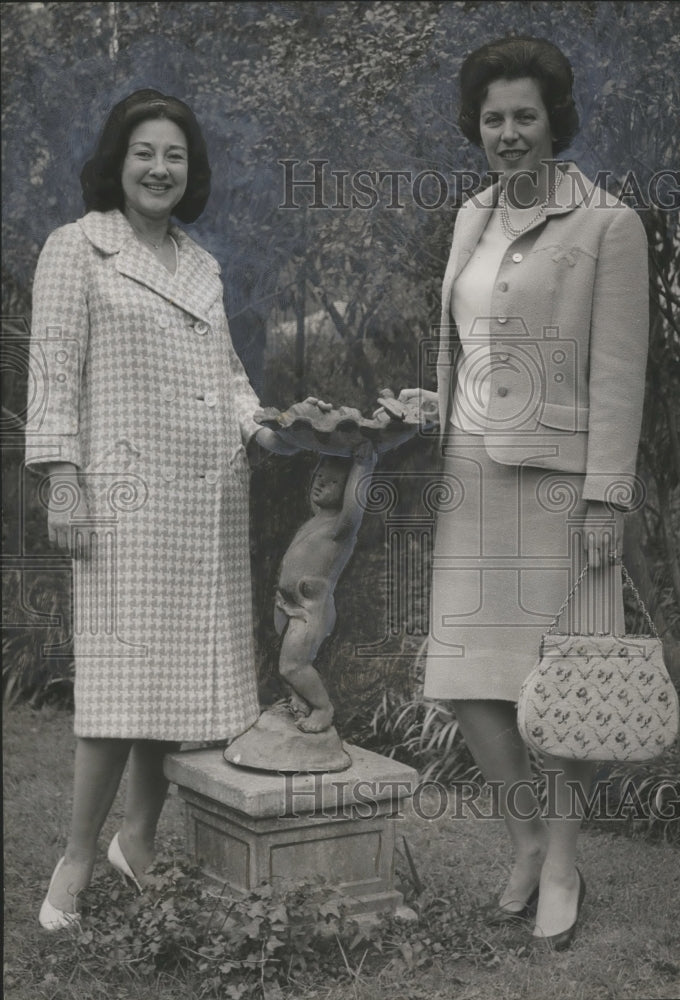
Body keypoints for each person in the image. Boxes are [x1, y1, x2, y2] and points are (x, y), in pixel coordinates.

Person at [400, 36, 649, 949]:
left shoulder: (606, 226)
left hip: (562, 486)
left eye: (524, 116)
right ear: (477, 126)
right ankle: (525, 837)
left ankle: (559, 862)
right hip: (469, 474)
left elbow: (620, 372)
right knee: (468, 680)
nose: (507, 133)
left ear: (554, 122)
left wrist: (605, 497)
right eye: (492, 118)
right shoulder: (470, 215)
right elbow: (466, 341)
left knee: (568, 681)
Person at [26, 89, 294, 930]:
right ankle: (75, 858)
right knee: (118, 687)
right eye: (144, 152)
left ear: (191, 170)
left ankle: (137, 843)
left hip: (206, 505)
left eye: (174, 155)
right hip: (123, 504)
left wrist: (267, 427)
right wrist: (63, 481)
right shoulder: (79, 250)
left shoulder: (200, 265)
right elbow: (52, 375)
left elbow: (230, 378)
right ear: (118, 161)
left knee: (172, 689)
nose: (159, 169)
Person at [274, 445, 377, 733]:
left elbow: (354, 508)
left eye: (332, 482)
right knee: (289, 657)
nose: (320, 482)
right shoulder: (317, 518)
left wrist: (363, 464)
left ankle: (323, 708)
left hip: (311, 610)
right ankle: (300, 699)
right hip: (288, 604)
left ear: (346, 491)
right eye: (320, 476)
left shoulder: (340, 527)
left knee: (292, 665)